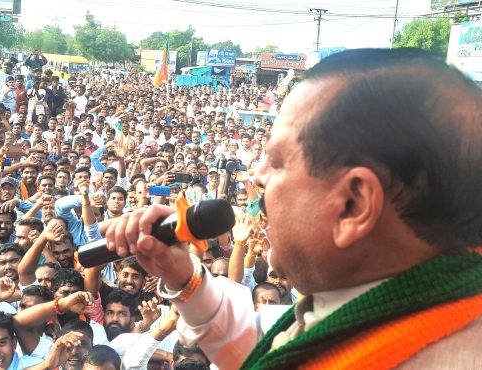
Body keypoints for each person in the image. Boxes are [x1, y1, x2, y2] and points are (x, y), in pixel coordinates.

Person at [101, 48, 482, 369]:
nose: (256, 174)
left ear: (354, 205)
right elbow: (266, 349)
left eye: (277, 160)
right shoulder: (399, 305)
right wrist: (185, 279)